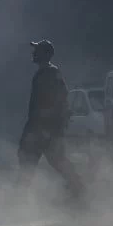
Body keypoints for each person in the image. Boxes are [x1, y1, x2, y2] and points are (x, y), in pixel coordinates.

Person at [16, 40, 86, 201]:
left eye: (38, 50)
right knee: (47, 160)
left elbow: (56, 102)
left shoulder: (49, 73)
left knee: (33, 159)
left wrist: (44, 128)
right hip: (44, 127)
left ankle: (79, 190)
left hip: (44, 128)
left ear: (46, 54)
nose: (34, 53)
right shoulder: (46, 73)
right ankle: (79, 189)